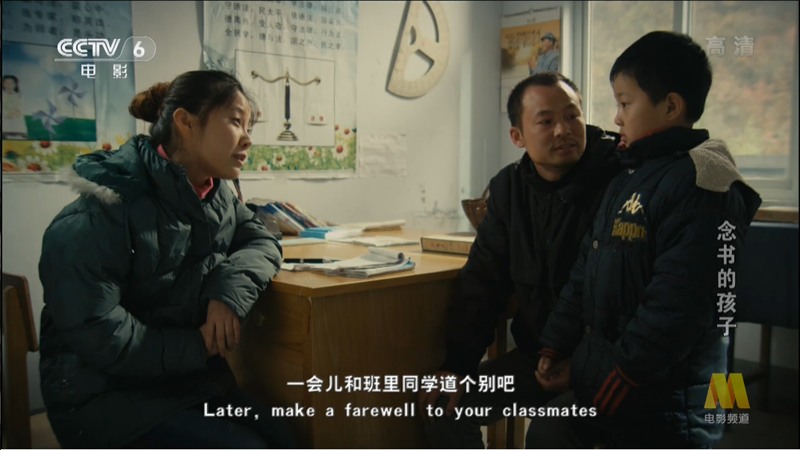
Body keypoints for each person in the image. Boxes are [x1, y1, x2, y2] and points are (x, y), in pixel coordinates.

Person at [38, 70, 296, 448]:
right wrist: (198, 346)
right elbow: (100, 332)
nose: (248, 138)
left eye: (250, 126)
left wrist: (227, 293)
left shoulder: (216, 196)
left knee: (286, 435)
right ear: (186, 123)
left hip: (187, 381)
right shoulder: (102, 210)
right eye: (235, 121)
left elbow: (261, 238)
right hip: (103, 397)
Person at [536, 31, 762, 448]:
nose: (617, 118)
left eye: (625, 103)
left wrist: (623, 376)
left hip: (665, 407)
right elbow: (586, 270)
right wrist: (555, 343)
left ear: (671, 107)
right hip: (616, 387)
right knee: (547, 431)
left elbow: (678, 306)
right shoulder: (629, 177)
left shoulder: (703, 184)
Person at [418, 72, 621, 448]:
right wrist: (457, 366)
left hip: (603, 365)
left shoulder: (619, 179)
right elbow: (482, 282)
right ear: (518, 137)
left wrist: (584, 365)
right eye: (546, 121)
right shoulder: (509, 189)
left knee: (549, 430)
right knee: (444, 406)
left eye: (572, 116)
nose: (563, 130)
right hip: (536, 359)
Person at [2, 74, 28, 138]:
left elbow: (21, 108)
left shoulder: (19, 95)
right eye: (6, 83)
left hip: (17, 122)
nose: (8, 85)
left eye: (11, 83)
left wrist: (16, 112)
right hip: (5, 121)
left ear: (15, 84)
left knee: (18, 138)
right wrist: (7, 113)